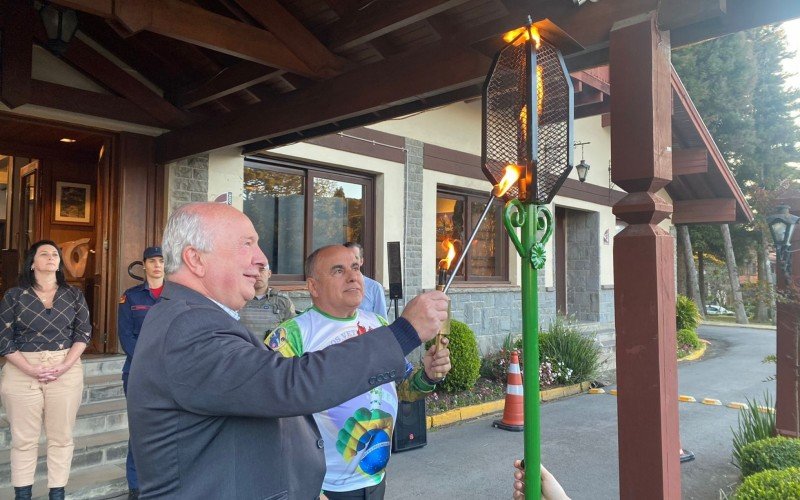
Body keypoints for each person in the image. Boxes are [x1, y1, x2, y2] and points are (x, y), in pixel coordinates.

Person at [127, 202, 448, 499]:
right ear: (195, 258)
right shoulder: (189, 326)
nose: (262, 259)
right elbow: (286, 386)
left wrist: (426, 376)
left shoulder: (196, 316)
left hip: (368, 479)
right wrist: (405, 332)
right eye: (246, 244)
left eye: (355, 268)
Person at [266, 245, 451, 498]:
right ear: (313, 286)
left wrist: (427, 375)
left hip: (374, 482)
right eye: (338, 270)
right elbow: (269, 415)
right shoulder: (293, 335)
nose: (353, 276)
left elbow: (403, 389)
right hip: (321, 488)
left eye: (355, 267)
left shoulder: (380, 325)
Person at [0, 240, 92, 500]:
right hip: (21, 371)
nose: (51, 257)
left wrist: (64, 365)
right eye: (45, 254)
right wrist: (29, 368)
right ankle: (23, 494)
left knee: (61, 437)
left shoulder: (73, 294)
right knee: (24, 440)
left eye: (55, 254)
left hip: (66, 369)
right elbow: (3, 338)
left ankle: (57, 493)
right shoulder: (14, 295)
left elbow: (83, 333)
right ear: (32, 263)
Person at [117, 246, 165, 500]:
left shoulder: (178, 296)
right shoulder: (131, 297)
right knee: (139, 429)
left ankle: (162, 482)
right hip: (138, 373)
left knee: (168, 429)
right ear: (143, 265)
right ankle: (135, 486)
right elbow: (126, 336)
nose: (157, 265)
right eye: (152, 261)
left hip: (171, 374)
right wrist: (150, 363)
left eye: (161, 261)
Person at [238, 263, 295, 343]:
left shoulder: (282, 301)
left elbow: (293, 333)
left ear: (269, 273)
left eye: (262, 270)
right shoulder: (237, 299)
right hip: (243, 352)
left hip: (271, 354)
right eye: (253, 271)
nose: (257, 274)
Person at [344, 242, 387, 317]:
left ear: (361, 261)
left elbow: (381, 321)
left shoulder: (374, 288)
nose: (350, 261)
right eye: (346, 258)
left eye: (355, 258)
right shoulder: (335, 285)